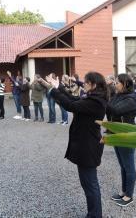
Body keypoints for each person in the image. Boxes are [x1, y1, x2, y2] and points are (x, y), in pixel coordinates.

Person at [39, 72, 108, 218]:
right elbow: (74, 99)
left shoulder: (95, 101)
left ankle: (95, 215)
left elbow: (70, 105)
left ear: (94, 85)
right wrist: (60, 87)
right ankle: (94, 213)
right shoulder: (94, 97)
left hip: (88, 147)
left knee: (90, 184)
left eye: (87, 82)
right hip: (86, 145)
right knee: (88, 183)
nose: (84, 84)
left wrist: (53, 90)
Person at [106, 73, 136, 207]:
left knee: (129, 167)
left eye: (117, 82)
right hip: (116, 134)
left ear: (125, 84)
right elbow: (110, 109)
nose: (115, 84)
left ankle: (129, 195)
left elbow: (115, 110)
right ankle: (124, 191)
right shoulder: (118, 95)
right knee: (123, 165)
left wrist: (103, 99)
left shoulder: (132, 98)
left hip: (126, 136)